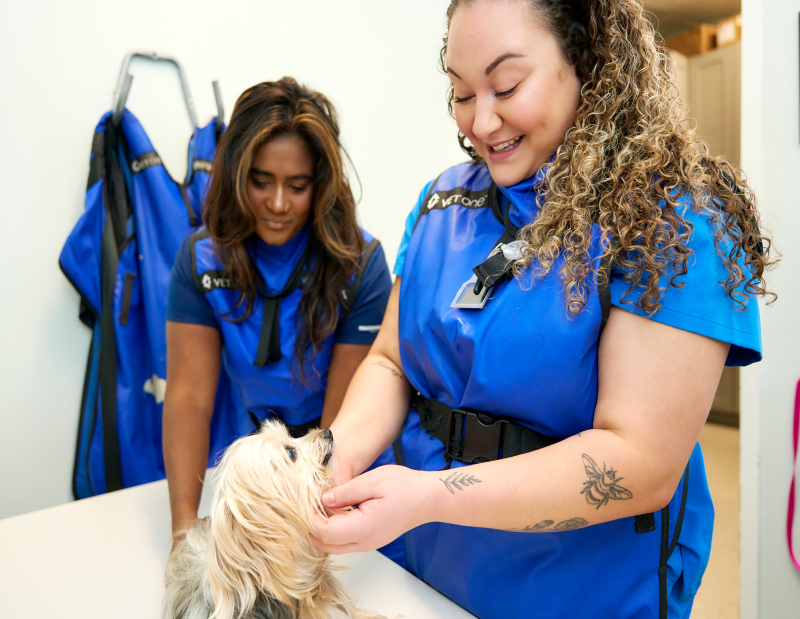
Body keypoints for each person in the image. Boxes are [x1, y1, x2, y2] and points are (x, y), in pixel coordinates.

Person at [309, 1, 774, 618]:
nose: (480, 121)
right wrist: (332, 461)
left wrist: (429, 496)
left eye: (505, 86)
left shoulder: (672, 221)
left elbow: (640, 461)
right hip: (418, 572)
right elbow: (392, 362)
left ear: (586, 59)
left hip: (577, 593)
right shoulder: (444, 202)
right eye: (460, 93)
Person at [162, 78, 403, 564]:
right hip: (251, 463)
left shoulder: (360, 265)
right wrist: (184, 534)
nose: (277, 203)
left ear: (322, 184)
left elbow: (341, 426)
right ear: (235, 175)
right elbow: (188, 398)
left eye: (297, 186)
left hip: (335, 463)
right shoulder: (200, 260)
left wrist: (307, 531)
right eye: (260, 180)